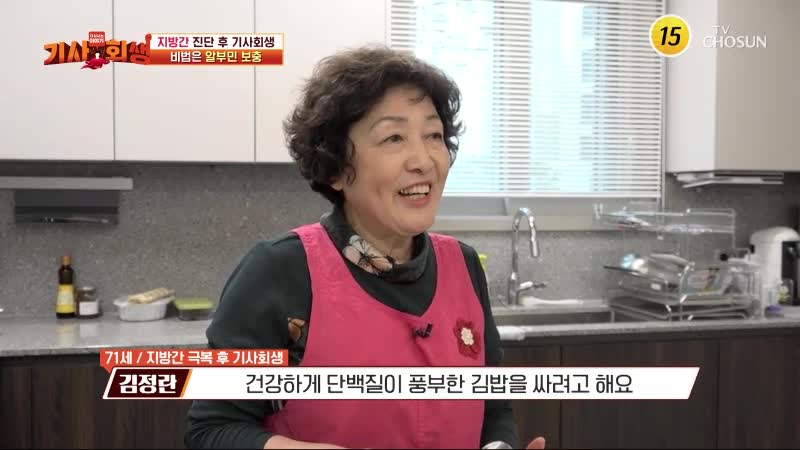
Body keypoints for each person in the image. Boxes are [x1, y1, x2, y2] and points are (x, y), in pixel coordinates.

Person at [185, 45, 546, 450]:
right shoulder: (280, 270)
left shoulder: (463, 265)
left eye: (433, 135)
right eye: (393, 137)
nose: (423, 160)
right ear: (337, 168)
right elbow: (212, 430)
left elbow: (492, 407)